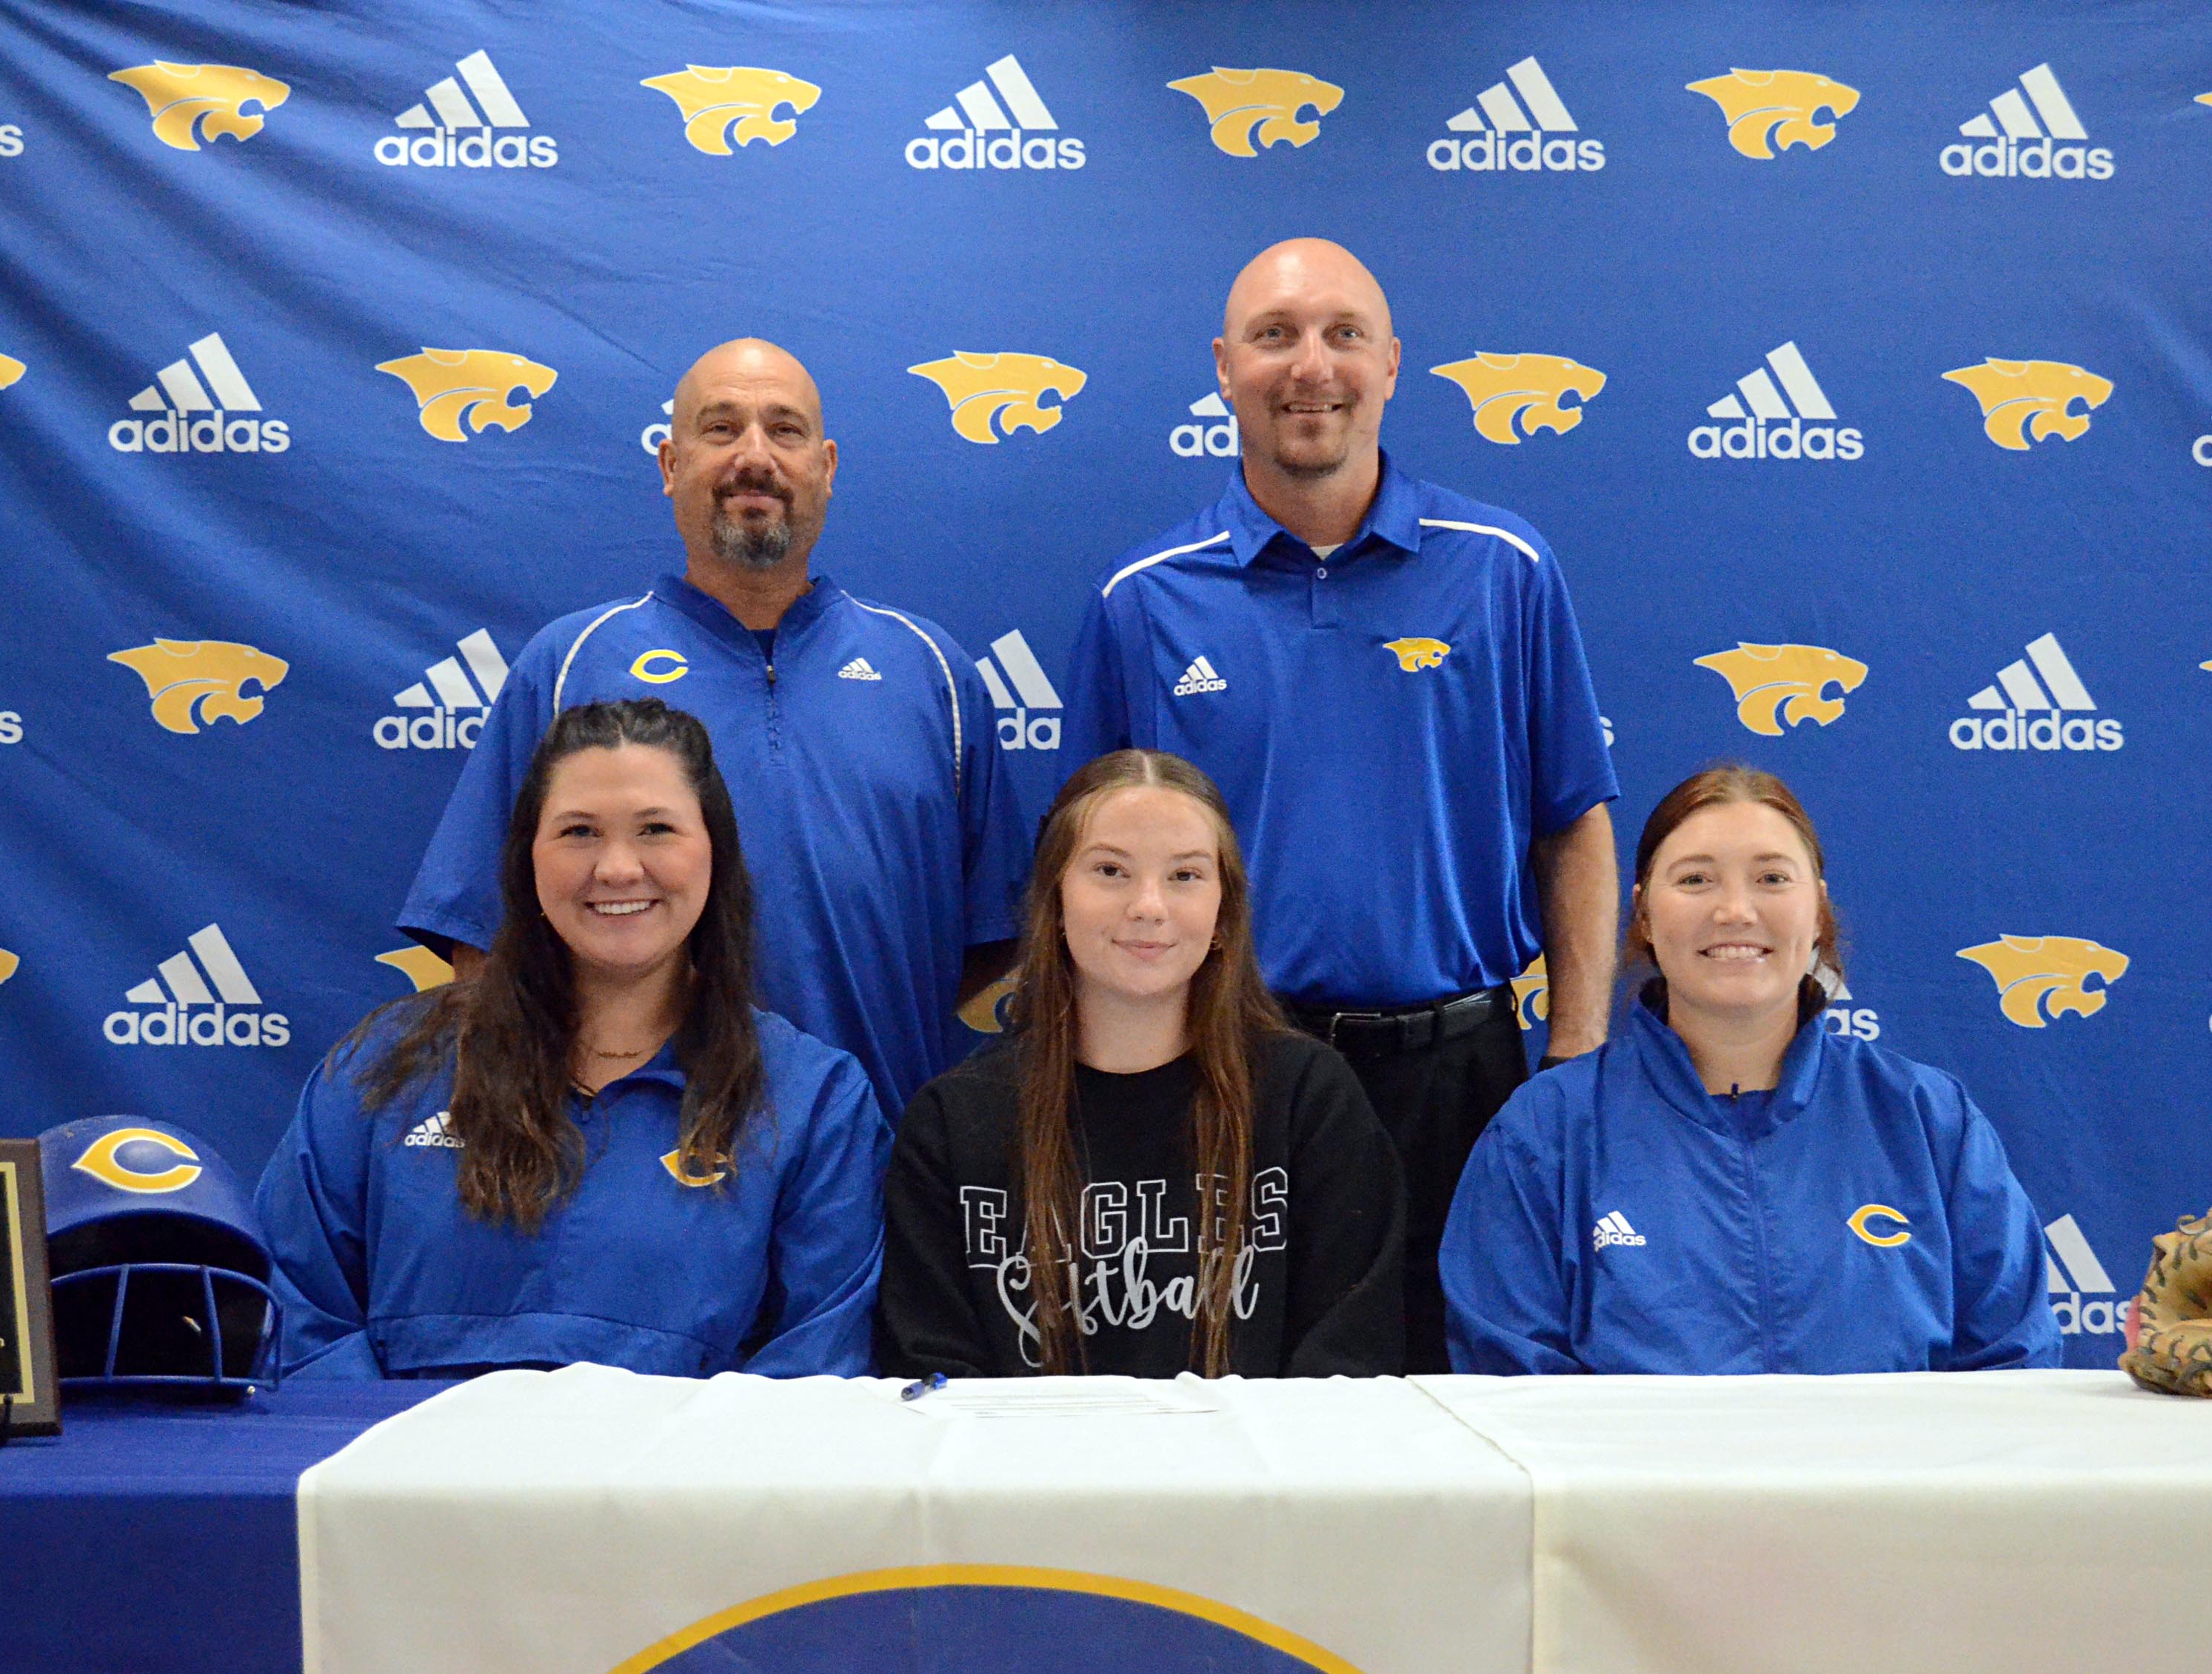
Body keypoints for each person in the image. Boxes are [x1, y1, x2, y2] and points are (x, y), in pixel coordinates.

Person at [1060, 239, 1620, 1371]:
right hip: (1226, 1071)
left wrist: (1576, 1059)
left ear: (1393, 364)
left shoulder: (1504, 569)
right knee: (1235, 1410)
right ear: (1225, 368)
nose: (1311, 366)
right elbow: (1082, 871)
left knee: (1465, 1408)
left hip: (1461, 1080)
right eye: (1275, 336)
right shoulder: (1142, 600)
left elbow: (1575, 824)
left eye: (1343, 335)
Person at [399, 339, 1027, 1117]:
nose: (753, 457)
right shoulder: (568, 665)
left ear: (827, 467)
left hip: (880, 1156)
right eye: (721, 428)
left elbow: (984, 942)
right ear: (670, 465)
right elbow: (483, 940)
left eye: (784, 430)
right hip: (624, 1162)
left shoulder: (935, 674)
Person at [257, 699, 886, 1378]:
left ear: (715, 853)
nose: (617, 868)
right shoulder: (384, 1071)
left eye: (656, 829)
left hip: (685, 1456)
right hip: (387, 1450)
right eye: (579, 832)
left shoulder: (812, 1101)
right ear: (528, 856)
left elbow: (814, 1374)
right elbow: (294, 1325)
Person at [1440, 765, 2061, 1375]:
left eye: (1771, 878)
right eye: (1695, 880)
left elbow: (2015, 1366)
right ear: (1644, 913)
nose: (1735, 911)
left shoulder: (1928, 1121)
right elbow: (1511, 1392)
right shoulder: (1546, 1133)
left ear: (1818, 911)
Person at [878, 749, 1404, 1378]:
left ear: (1223, 912)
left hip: (1258, 1448)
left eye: (1184, 875)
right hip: (1024, 1448)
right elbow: (933, 1377)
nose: (1149, 905)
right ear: (1054, 900)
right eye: (1111, 870)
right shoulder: (953, 1123)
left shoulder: (1309, 1100)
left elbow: (1348, 1364)